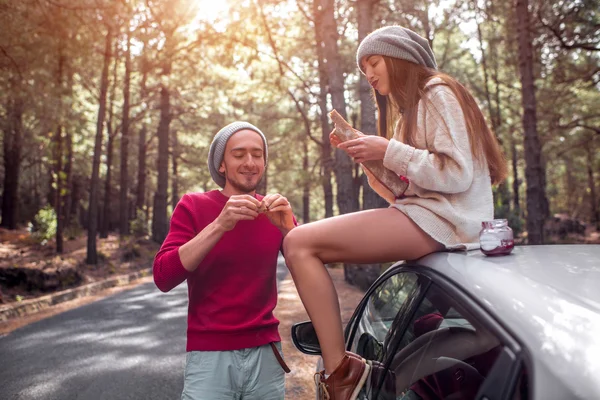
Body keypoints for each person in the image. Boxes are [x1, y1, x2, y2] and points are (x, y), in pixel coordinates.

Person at [282, 26, 508, 400]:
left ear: (400, 58)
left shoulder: (437, 91)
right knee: (299, 244)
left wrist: (386, 149)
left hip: (445, 222)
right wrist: (369, 154)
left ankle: (340, 372)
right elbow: (406, 189)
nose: (368, 74)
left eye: (373, 61)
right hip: (433, 218)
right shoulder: (410, 113)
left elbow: (455, 173)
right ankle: (365, 377)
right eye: (362, 69)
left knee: (298, 242)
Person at [153, 121, 296, 400]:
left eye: (257, 154)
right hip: (209, 357)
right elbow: (163, 277)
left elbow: (308, 273)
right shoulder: (193, 206)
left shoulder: (275, 210)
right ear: (221, 164)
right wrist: (220, 224)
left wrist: (289, 230)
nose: (250, 162)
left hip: (267, 356)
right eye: (239, 154)